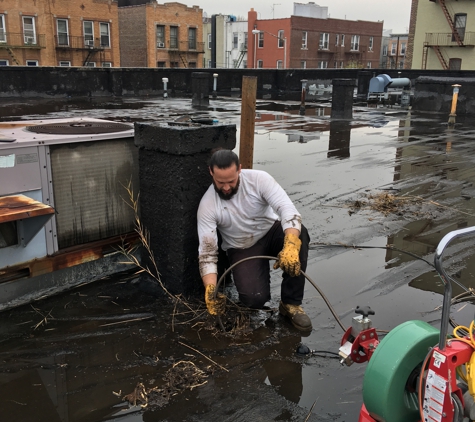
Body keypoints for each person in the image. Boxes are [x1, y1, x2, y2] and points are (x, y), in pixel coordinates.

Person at [197, 149, 312, 331]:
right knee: (254, 299)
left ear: (239, 170)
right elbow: (207, 253)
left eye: (231, 181)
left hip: (270, 231)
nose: (226, 187)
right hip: (241, 246)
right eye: (220, 182)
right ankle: (256, 291)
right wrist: (210, 289)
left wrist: (290, 244)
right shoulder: (207, 205)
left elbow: (287, 210)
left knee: (300, 235)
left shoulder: (260, 179)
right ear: (211, 172)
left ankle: (291, 304)